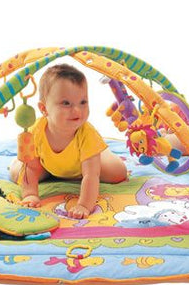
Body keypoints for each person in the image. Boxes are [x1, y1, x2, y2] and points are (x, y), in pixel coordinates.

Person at [9, 64, 127, 219]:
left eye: (83, 102)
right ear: (44, 109)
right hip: (47, 165)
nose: (77, 110)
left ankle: (101, 152)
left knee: (118, 173)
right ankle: (46, 169)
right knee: (17, 172)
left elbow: (91, 175)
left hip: (83, 167)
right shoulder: (35, 131)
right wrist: (30, 195)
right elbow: (30, 168)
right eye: (66, 103)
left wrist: (84, 205)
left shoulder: (87, 134)